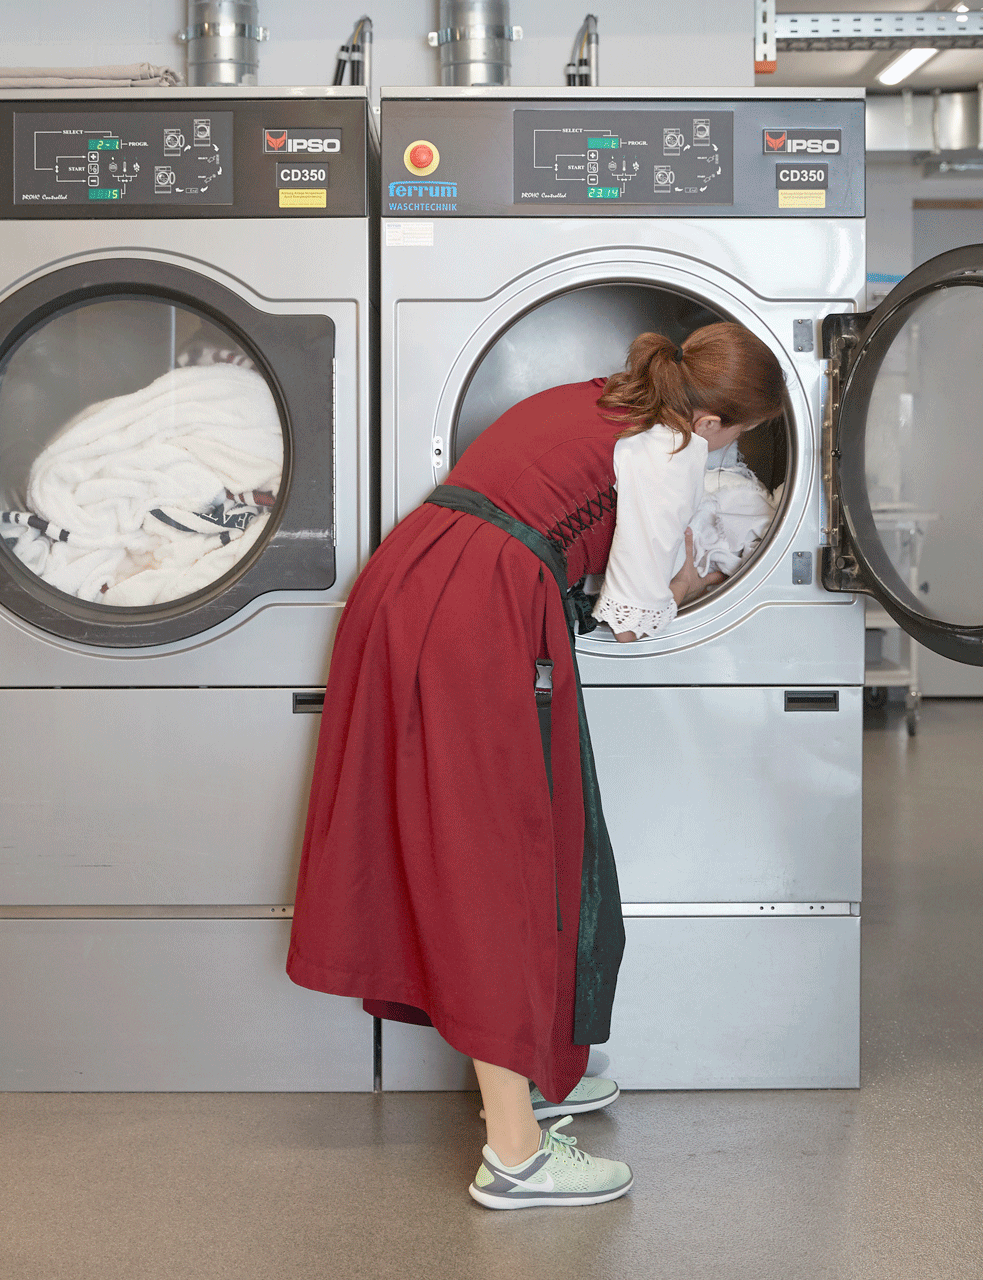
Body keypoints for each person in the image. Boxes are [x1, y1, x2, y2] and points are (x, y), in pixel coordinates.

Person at [287, 322, 786, 1209]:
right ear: (711, 420)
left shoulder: (597, 395)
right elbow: (633, 615)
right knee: (499, 861)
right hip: (477, 612)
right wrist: (701, 578)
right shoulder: (670, 452)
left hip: (411, 580)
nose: (725, 455)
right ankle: (514, 1154)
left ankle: (538, 1074)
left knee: (492, 844)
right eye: (736, 439)